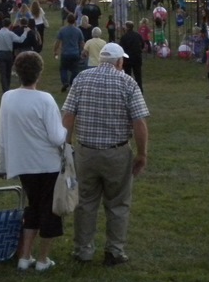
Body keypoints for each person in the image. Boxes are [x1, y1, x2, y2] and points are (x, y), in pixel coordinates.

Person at [61, 43, 150, 266]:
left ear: (101, 59)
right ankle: (115, 251)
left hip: (85, 152)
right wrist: (142, 154)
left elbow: (68, 115)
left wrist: (66, 145)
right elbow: (139, 122)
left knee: (85, 203)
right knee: (118, 203)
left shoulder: (81, 79)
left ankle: (83, 251)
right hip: (117, 152)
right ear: (119, 62)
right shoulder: (128, 82)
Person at [0, 52, 67, 272]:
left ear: (17, 72)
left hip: (23, 164)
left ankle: (25, 256)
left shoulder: (7, 97)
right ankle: (43, 259)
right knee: (50, 211)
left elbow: (2, 133)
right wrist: (66, 130)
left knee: (33, 208)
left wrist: (3, 164)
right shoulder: (45, 99)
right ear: (39, 73)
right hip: (47, 164)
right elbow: (57, 137)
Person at [0, 18, 29, 93]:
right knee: (8, 72)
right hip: (8, 54)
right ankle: (7, 87)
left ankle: (5, 89)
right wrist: (25, 32)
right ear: (10, 25)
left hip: (0, 53)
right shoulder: (10, 33)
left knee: (2, 73)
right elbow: (20, 40)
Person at [54, 14, 85, 93]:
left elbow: (57, 42)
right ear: (74, 21)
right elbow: (81, 43)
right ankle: (71, 82)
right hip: (75, 53)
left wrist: (55, 50)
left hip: (65, 53)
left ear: (67, 20)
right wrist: (83, 51)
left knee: (63, 69)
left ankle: (65, 82)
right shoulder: (78, 30)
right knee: (75, 69)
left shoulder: (62, 30)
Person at [119, 20, 144, 93]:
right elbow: (142, 45)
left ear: (127, 28)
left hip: (127, 59)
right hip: (137, 58)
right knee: (138, 75)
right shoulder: (138, 35)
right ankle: (140, 91)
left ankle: (128, 90)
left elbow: (121, 48)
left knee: (128, 76)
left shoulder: (124, 37)